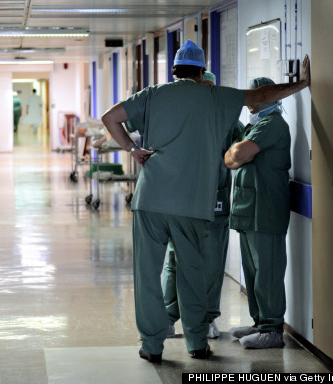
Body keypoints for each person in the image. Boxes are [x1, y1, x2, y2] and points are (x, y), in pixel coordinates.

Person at [100, 40, 309, 363]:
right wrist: (302, 83)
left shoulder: (152, 95)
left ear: (174, 71)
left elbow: (110, 117)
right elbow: (260, 97)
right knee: (192, 274)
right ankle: (196, 342)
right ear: (201, 72)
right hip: (192, 205)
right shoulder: (213, 96)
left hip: (150, 200)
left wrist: (132, 149)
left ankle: (152, 345)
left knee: (147, 275)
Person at [162, 71, 244, 340]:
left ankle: (206, 318)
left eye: (209, 89)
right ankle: (167, 318)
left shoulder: (226, 117)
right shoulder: (179, 116)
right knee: (175, 262)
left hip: (214, 203)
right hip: (182, 201)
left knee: (211, 264)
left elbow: (241, 148)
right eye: (201, 88)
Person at [225, 77, 291, 349]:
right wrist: (236, 155)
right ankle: (258, 322)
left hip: (265, 210)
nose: (251, 104)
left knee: (268, 271)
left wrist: (237, 154)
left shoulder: (272, 124)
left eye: (258, 98)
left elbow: (237, 155)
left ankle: (272, 329)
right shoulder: (254, 127)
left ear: (270, 99)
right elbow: (233, 158)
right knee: (252, 271)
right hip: (249, 211)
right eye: (250, 98)